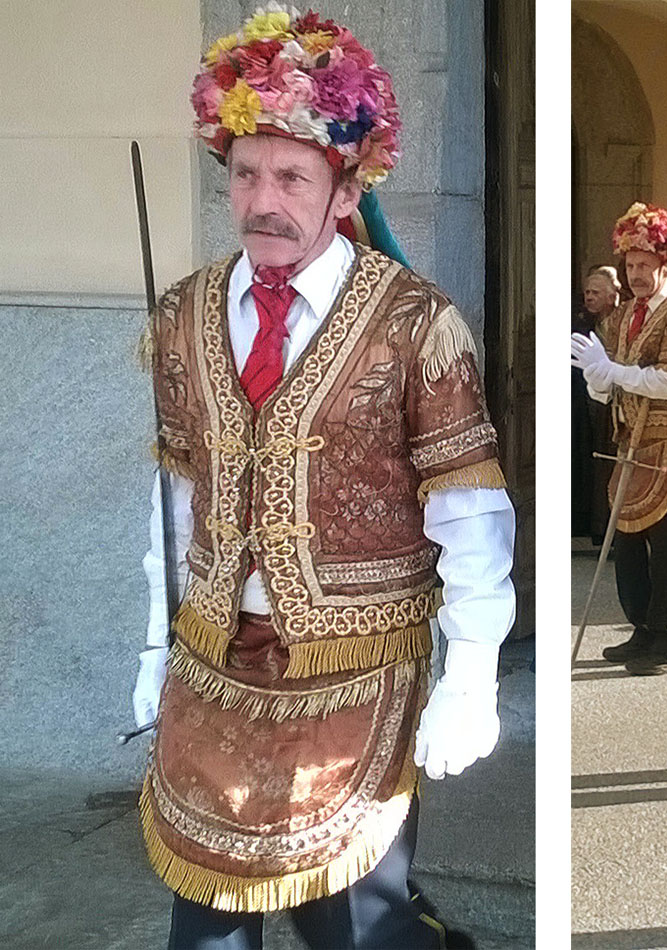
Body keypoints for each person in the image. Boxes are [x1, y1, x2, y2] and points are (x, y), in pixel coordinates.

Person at [133, 9, 514, 947]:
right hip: (214, 660)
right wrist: (152, 646)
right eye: (246, 173)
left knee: (352, 926)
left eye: (292, 176)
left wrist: (470, 671)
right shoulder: (184, 314)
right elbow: (174, 500)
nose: (265, 200)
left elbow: (468, 506)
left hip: (358, 669)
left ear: (346, 190)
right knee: (206, 924)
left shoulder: (415, 322)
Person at [571, 203, 667, 675]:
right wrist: (597, 376)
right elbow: (609, 372)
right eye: (630, 266)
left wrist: (614, 371)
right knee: (628, 537)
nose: (635, 274)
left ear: (666, 265)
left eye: (644, 266)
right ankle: (641, 629)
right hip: (630, 434)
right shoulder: (626, 313)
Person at [573, 266, 621, 541]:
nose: (589, 298)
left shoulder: (623, 321)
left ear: (613, 295)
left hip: (614, 402)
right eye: (587, 292)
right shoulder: (580, 323)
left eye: (596, 292)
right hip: (583, 405)